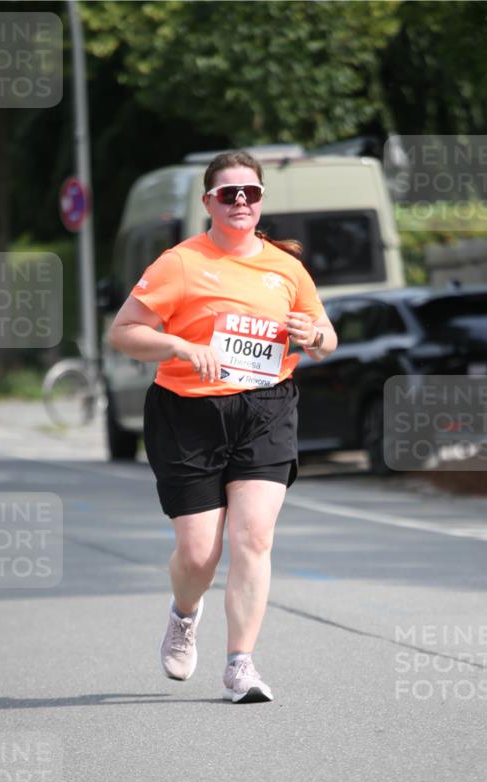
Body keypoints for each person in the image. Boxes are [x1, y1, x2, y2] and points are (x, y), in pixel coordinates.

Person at [109, 150, 337, 704]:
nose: (241, 201)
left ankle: (241, 664)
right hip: (188, 412)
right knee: (198, 555)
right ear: (208, 201)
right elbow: (124, 331)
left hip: (266, 409)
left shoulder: (287, 268)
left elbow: (327, 339)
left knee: (254, 537)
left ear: (260, 203)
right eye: (229, 193)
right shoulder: (179, 263)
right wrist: (180, 344)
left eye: (251, 194)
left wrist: (312, 335)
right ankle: (184, 615)